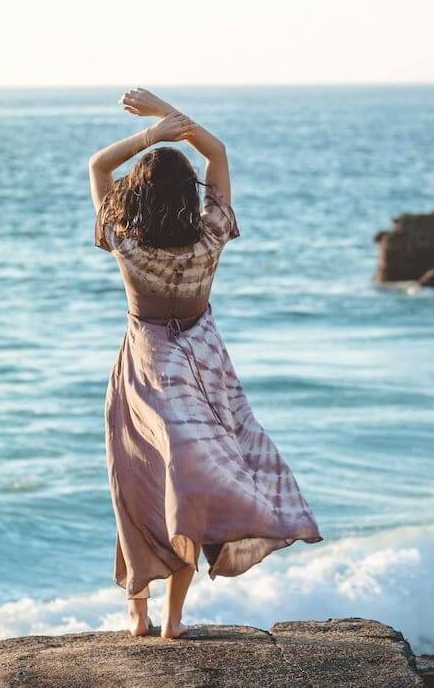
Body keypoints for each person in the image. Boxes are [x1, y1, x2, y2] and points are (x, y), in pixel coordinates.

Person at [88, 88, 323, 640]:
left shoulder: (125, 239)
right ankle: (172, 620)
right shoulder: (211, 233)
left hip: (145, 372)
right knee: (188, 493)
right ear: (188, 195)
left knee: (139, 485)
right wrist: (172, 117)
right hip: (206, 370)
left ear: (136, 198)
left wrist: (152, 133)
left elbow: (98, 164)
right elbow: (217, 154)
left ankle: (138, 612)